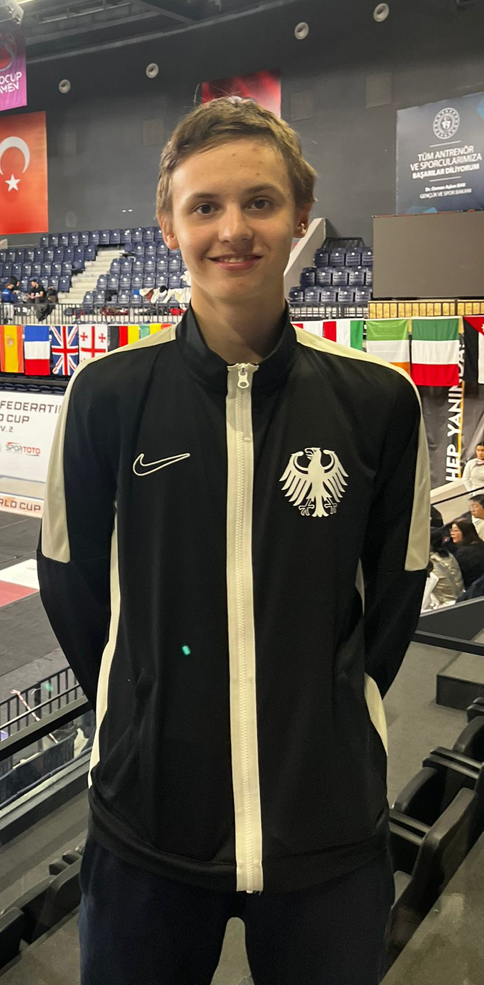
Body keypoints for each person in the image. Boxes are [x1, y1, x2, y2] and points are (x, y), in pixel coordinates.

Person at [38, 97, 429, 985]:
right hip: (148, 827)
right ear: (169, 226)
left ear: (300, 214)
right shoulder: (106, 395)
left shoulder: (378, 401)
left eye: (259, 202)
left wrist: (331, 712)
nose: (233, 230)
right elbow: (69, 584)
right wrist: (143, 709)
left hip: (328, 832)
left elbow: (397, 594)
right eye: (204, 206)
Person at [446, 518, 484, 587]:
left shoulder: (463, 553)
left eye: (456, 531)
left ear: (465, 532)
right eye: (451, 530)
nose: (452, 534)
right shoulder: (480, 544)